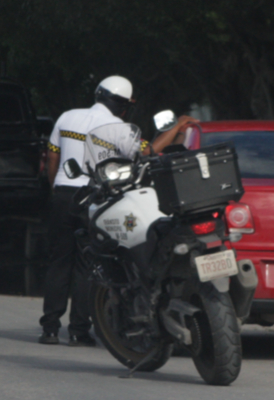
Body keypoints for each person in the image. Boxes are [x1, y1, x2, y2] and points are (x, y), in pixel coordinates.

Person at [38, 75, 197, 346]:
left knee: (58, 263)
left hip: (63, 195)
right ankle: (78, 331)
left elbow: (53, 156)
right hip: (92, 199)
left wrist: (57, 188)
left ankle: (50, 329)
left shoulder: (67, 117)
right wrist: (177, 127)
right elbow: (149, 152)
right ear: (122, 105)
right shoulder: (119, 128)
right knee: (87, 266)